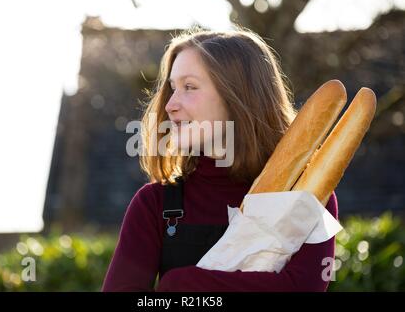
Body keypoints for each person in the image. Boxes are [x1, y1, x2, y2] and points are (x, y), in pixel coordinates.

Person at [102, 26, 338, 292]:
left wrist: (182, 283)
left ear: (238, 97)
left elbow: (303, 288)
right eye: (172, 88)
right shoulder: (154, 204)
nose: (170, 104)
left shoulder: (307, 194)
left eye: (189, 87)